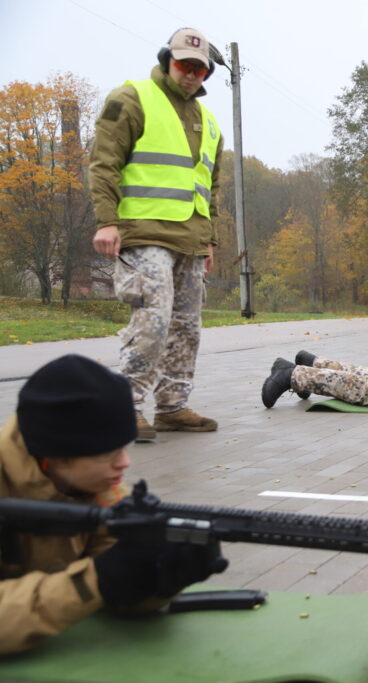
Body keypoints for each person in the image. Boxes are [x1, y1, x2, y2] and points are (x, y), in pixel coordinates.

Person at [0, 355, 222, 655]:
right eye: (108, 453)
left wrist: (158, 580)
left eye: (124, 448)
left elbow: (119, 584)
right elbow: (97, 582)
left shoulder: (97, 486)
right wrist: (94, 581)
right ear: (56, 456)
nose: (124, 463)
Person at [89, 28, 224, 441]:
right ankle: (125, 409)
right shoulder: (131, 98)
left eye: (201, 69)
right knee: (154, 318)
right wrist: (106, 221)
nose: (192, 75)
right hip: (144, 233)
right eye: (185, 65)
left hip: (189, 238)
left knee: (187, 326)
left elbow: (210, 185)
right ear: (168, 59)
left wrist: (209, 241)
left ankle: (173, 407)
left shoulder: (208, 120)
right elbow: (103, 163)